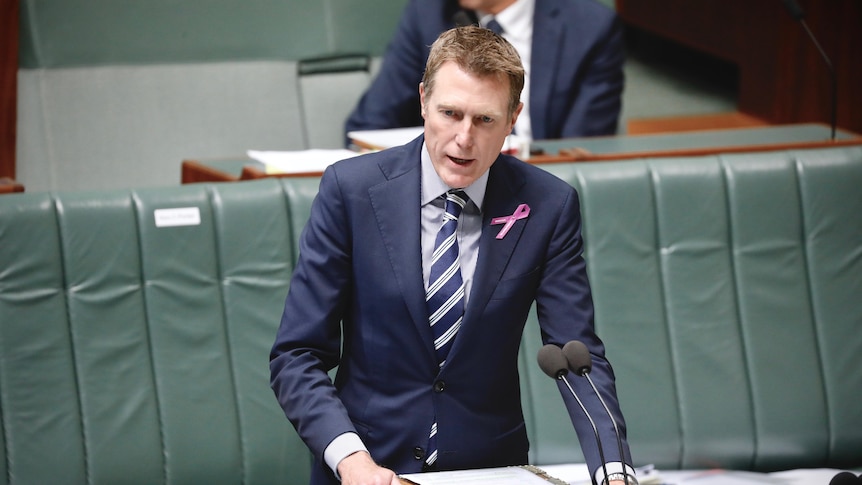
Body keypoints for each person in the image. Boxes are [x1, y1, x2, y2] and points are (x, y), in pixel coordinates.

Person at [271, 26, 636, 485]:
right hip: (369, 466)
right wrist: (350, 459)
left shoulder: (547, 205)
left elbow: (577, 354)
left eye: (485, 120)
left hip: (488, 468)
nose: (464, 138)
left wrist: (614, 469)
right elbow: (297, 355)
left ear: (513, 118)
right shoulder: (352, 191)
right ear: (423, 101)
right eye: (450, 113)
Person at [344, 0, 625, 145]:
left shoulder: (591, 28)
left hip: (538, 196)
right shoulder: (429, 13)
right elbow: (369, 125)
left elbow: (581, 152)